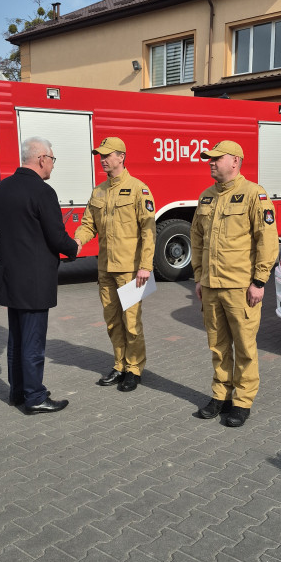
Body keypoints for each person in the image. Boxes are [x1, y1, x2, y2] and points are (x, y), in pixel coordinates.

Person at [190, 140, 279, 427]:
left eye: (217, 158)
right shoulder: (206, 197)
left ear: (235, 161)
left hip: (241, 287)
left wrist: (259, 280)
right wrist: (200, 277)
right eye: (209, 159)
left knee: (244, 346)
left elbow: (266, 240)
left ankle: (242, 401)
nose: (211, 162)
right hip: (212, 286)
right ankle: (221, 395)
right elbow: (197, 240)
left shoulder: (254, 194)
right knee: (217, 346)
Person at [0, 137, 78, 414]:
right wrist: (73, 247)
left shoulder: (2, 188)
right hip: (35, 280)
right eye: (52, 159)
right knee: (32, 342)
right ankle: (36, 397)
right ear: (41, 159)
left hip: (10, 277)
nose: (52, 165)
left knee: (16, 339)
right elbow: (56, 236)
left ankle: (17, 392)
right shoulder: (42, 191)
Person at [74, 137, 156, 392]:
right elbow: (89, 224)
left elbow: (148, 230)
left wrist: (145, 266)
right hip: (106, 269)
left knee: (131, 321)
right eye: (100, 154)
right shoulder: (98, 191)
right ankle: (119, 364)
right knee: (112, 321)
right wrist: (75, 242)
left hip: (131, 270)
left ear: (121, 157)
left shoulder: (138, 189)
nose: (103, 158)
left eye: (107, 155)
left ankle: (134, 368)